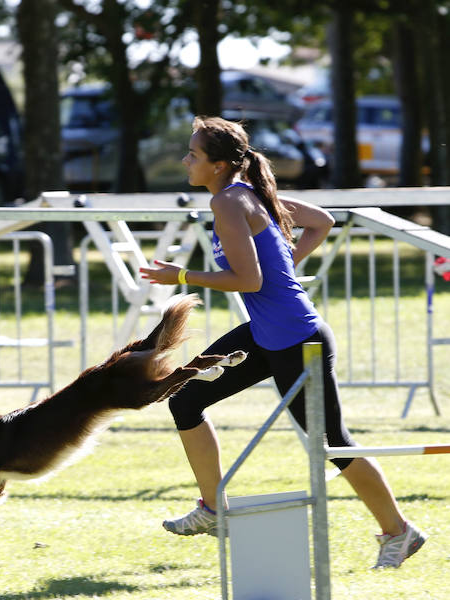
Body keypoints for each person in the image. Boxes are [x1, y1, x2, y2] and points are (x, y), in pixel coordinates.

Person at [140, 116, 426, 569]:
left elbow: (248, 279)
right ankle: (214, 509)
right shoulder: (245, 195)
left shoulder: (233, 203)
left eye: (192, 154)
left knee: (331, 441)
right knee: (186, 398)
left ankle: (400, 531)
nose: (184, 161)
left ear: (217, 166)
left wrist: (179, 276)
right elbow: (322, 222)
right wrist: (285, 268)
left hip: (297, 340)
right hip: (266, 335)